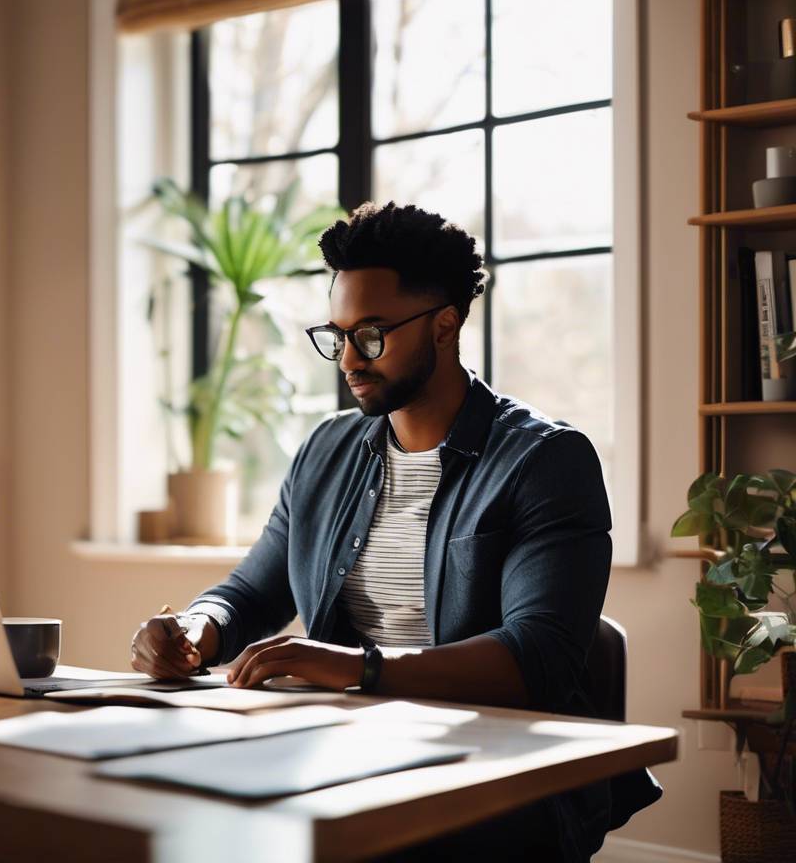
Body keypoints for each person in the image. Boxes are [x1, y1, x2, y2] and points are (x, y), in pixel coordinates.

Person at [129, 201, 660, 861]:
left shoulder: (544, 461)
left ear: (444, 325)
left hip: (495, 773)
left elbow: (538, 658)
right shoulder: (325, 452)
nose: (349, 359)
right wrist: (194, 629)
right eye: (338, 335)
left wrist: (353, 667)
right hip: (343, 752)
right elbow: (250, 593)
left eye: (372, 335)